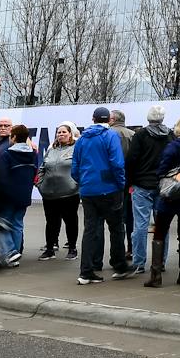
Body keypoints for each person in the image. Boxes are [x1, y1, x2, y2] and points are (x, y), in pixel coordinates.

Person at [73, 106, 131, 283]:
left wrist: (83, 181)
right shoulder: (110, 136)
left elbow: (75, 166)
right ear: (109, 120)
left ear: (93, 119)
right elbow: (117, 163)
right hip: (109, 188)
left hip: (88, 189)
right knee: (116, 228)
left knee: (90, 230)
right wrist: (120, 184)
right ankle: (119, 265)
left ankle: (86, 271)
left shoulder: (82, 138)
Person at [146, 116, 180, 289]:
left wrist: (165, 176)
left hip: (170, 193)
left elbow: (162, 168)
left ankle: (156, 275)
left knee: (160, 232)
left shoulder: (173, 146)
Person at [125, 105, 172, 284]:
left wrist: (130, 181)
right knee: (162, 225)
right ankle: (160, 261)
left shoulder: (141, 135)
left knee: (140, 225)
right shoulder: (169, 135)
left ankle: (139, 262)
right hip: (163, 184)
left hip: (142, 184)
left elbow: (131, 159)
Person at [0, 122, 37, 267]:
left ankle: (10, 252)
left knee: (1, 224)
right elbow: (34, 173)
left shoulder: (7, 155)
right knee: (17, 224)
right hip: (24, 195)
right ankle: (15, 255)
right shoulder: (33, 154)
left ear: (14, 137)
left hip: (7, 196)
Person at [37, 124, 80, 259]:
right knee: (51, 222)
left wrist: (75, 185)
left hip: (69, 193)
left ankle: (72, 248)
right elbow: (42, 168)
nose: (60, 134)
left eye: (64, 132)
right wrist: (40, 185)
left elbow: (81, 167)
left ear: (70, 134)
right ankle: (50, 249)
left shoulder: (76, 149)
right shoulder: (51, 150)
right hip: (49, 194)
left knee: (70, 221)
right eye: (58, 132)